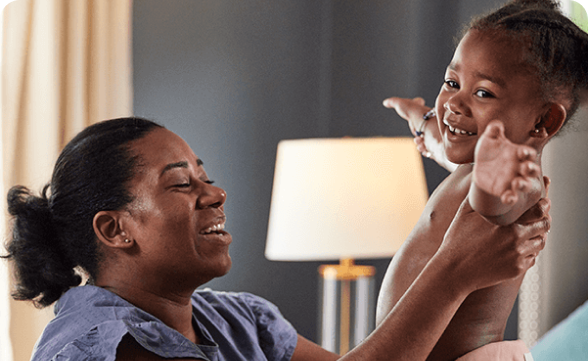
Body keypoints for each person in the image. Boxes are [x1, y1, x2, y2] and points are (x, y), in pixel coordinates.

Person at [1, 117, 550, 361]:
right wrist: (452, 269)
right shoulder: (98, 341)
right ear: (114, 229)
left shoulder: (239, 320)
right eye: (181, 184)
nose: (214, 194)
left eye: (205, 175)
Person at [377, 1, 588, 360]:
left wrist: (490, 187)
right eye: (452, 82)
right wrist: (421, 117)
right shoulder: (473, 165)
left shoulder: (523, 182)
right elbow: (441, 146)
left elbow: (494, 208)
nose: (454, 103)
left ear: (543, 122)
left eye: (483, 93)